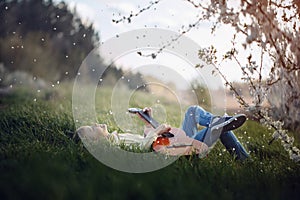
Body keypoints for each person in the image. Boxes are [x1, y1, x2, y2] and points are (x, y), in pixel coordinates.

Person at [76, 105, 249, 160]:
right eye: (92, 129)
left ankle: (220, 124)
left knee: (193, 111)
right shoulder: (117, 144)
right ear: (95, 142)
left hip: (176, 139)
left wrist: (149, 120)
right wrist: (157, 131)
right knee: (218, 128)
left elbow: (145, 139)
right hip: (181, 148)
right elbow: (144, 147)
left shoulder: (117, 137)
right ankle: (241, 156)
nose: (95, 124)